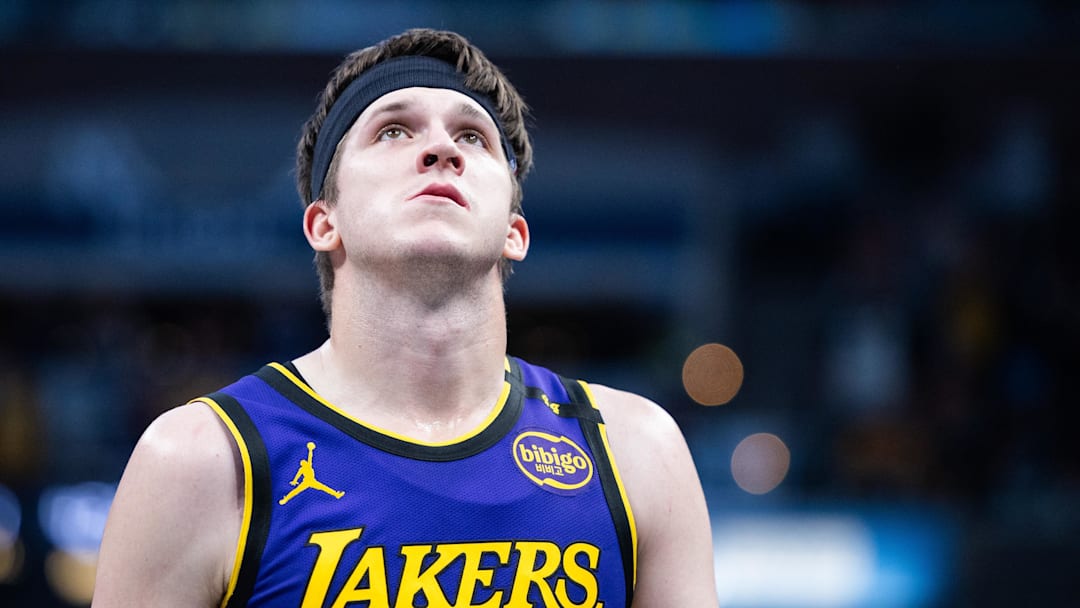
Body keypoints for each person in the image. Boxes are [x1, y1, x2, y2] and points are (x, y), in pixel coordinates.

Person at [93, 28, 717, 607]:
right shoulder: (202, 461)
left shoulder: (634, 451)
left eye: (473, 137)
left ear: (514, 232)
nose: (441, 148)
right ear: (324, 221)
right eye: (393, 130)